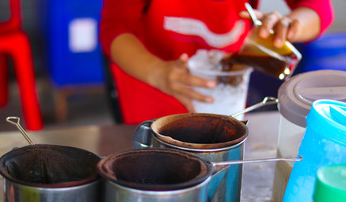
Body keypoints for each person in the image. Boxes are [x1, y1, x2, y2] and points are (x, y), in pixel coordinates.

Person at [100, 0, 334, 124]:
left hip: (224, 92)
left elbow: (319, 8)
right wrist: (157, 72)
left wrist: (290, 26)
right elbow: (115, 27)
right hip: (150, 91)